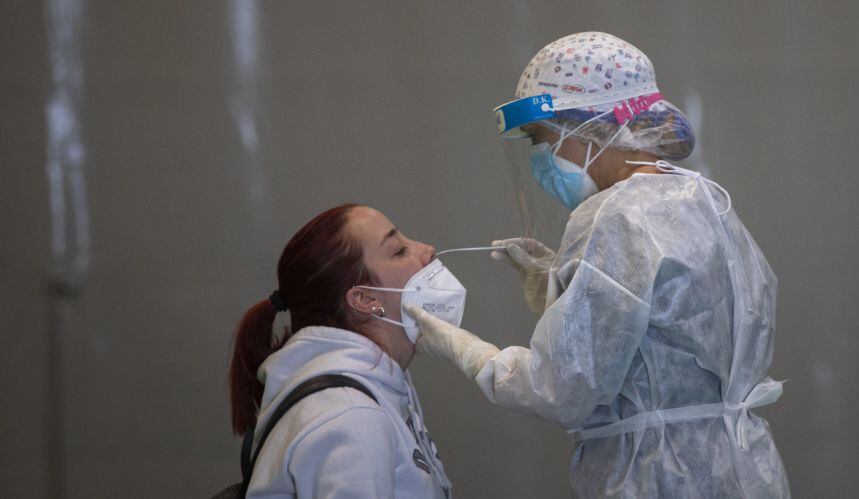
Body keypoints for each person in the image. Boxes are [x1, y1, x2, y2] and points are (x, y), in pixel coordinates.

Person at [406, 32, 790, 497]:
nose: (541, 160)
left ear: (591, 127)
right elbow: (669, 328)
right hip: (740, 469)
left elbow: (563, 389)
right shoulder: (702, 199)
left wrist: (467, 351)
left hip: (657, 477)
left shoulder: (613, 215)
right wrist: (562, 286)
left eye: (544, 140)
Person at [228, 203, 457, 498]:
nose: (427, 250)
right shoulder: (352, 416)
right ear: (363, 299)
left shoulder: (373, 384)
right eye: (399, 251)